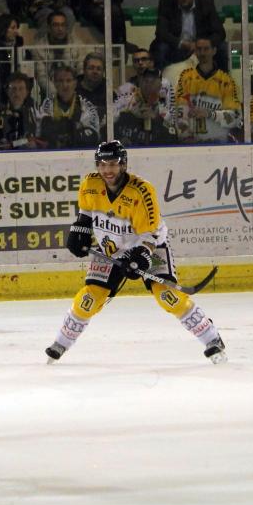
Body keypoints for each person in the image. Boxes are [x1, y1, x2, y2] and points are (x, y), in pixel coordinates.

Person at [45, 140, 227, 365]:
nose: (107, 170)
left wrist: (141, 255)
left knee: (167, 296)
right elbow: (85, 214)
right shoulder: (90, 184)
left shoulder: (141, 191)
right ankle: (61, 343)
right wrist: (79, 231)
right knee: (89, 298)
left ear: (123, 164)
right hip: (110, 250)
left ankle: (211, 338)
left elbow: (151, 234)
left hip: (151, 245)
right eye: (102, 164)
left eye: (113, 164)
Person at [172, 35, 242, 143]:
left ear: (214, 51)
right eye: (199, 49)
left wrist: (210, 114)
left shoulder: (226, 81)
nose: (202, 53)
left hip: (220, 144)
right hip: (192, 143)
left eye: (206, 49)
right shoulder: (186, 78)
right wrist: (185, 134)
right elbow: (179, 111)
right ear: (195, 52)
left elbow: (235, 117)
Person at [151, 0, 227, 71]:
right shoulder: (166, 3)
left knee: (222, 47)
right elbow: (161, 33)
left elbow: (220, 33)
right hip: (177, 45)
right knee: (161, 48)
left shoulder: (206, 2)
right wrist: (183, 44)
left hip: (201, 45)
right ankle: (159, 78)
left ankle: (223, 79)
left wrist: (202, 44)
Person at [36, 64, 100, 148]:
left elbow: (93, 137)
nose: (65, 85)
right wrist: (75, 128)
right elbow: (43, 133)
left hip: (79, 152)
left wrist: (59, 129)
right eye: (60, 81)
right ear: (54, 83)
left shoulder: (87, 106)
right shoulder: (47, 104)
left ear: (75, 83)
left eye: (68, 80)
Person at [114, 69, 178, 147]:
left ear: (160, 86)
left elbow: (174, 140)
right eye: (146, 81)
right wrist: (119, 140)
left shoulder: (166, 112)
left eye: (152, 82)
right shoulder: (125, 104)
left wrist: (156, 119)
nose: (148, 85)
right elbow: (107, 130)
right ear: (140, 84)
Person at [31, 10, 83, 101]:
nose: (60, 29)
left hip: (74, 91)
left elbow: (80, 71)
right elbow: (42, 77)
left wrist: (72, 92)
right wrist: (57, 95)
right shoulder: (38, 48)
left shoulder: (78, 44)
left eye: (63, 25)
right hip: (49, 94)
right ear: (48, 27)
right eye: (56, 25)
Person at [0, 72, 41, 150]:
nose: (17, 93)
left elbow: (38, 139)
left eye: (21, 89)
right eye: (13, 88)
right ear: (7, 91)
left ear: (27, 92)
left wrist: (34, 144)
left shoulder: (33, 113)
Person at [75, 53, 108, 126]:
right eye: (91, 68)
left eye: (99, 69)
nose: (95, 72)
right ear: (84, 70)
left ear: (103, 72)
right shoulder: (73, 88)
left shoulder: (108, 88)